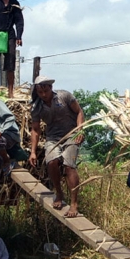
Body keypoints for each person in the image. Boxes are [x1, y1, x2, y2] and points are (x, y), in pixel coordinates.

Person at [29, 76, 84, 217]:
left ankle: (73, 204)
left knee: (69, 165)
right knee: (52, 161)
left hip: (71, 135)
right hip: (53, 138)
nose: (43, 95)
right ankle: (59, 193)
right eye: (40, 92)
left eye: (45, 91)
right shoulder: (36, 107)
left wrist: (80, 130)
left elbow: (79, 111)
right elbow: (35, 130)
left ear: (50, 88)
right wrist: (33, 152)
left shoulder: (64, 96)